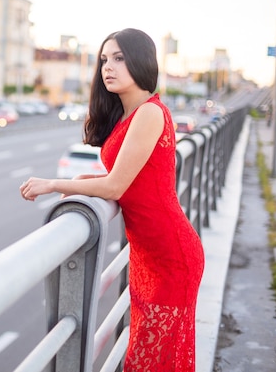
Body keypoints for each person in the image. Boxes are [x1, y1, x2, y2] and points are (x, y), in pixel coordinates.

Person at [19, 28, 204, 371]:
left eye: (119, 58)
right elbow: (131, 181)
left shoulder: (150, 112)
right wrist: (79, 181)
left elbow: (116, 187)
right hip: (149, 255)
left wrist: (53, 184)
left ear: (141, 61)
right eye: (104, 59)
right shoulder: (129, 115)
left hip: (170, 257)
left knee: (151, 361)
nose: (108, 67)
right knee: (152, 358)